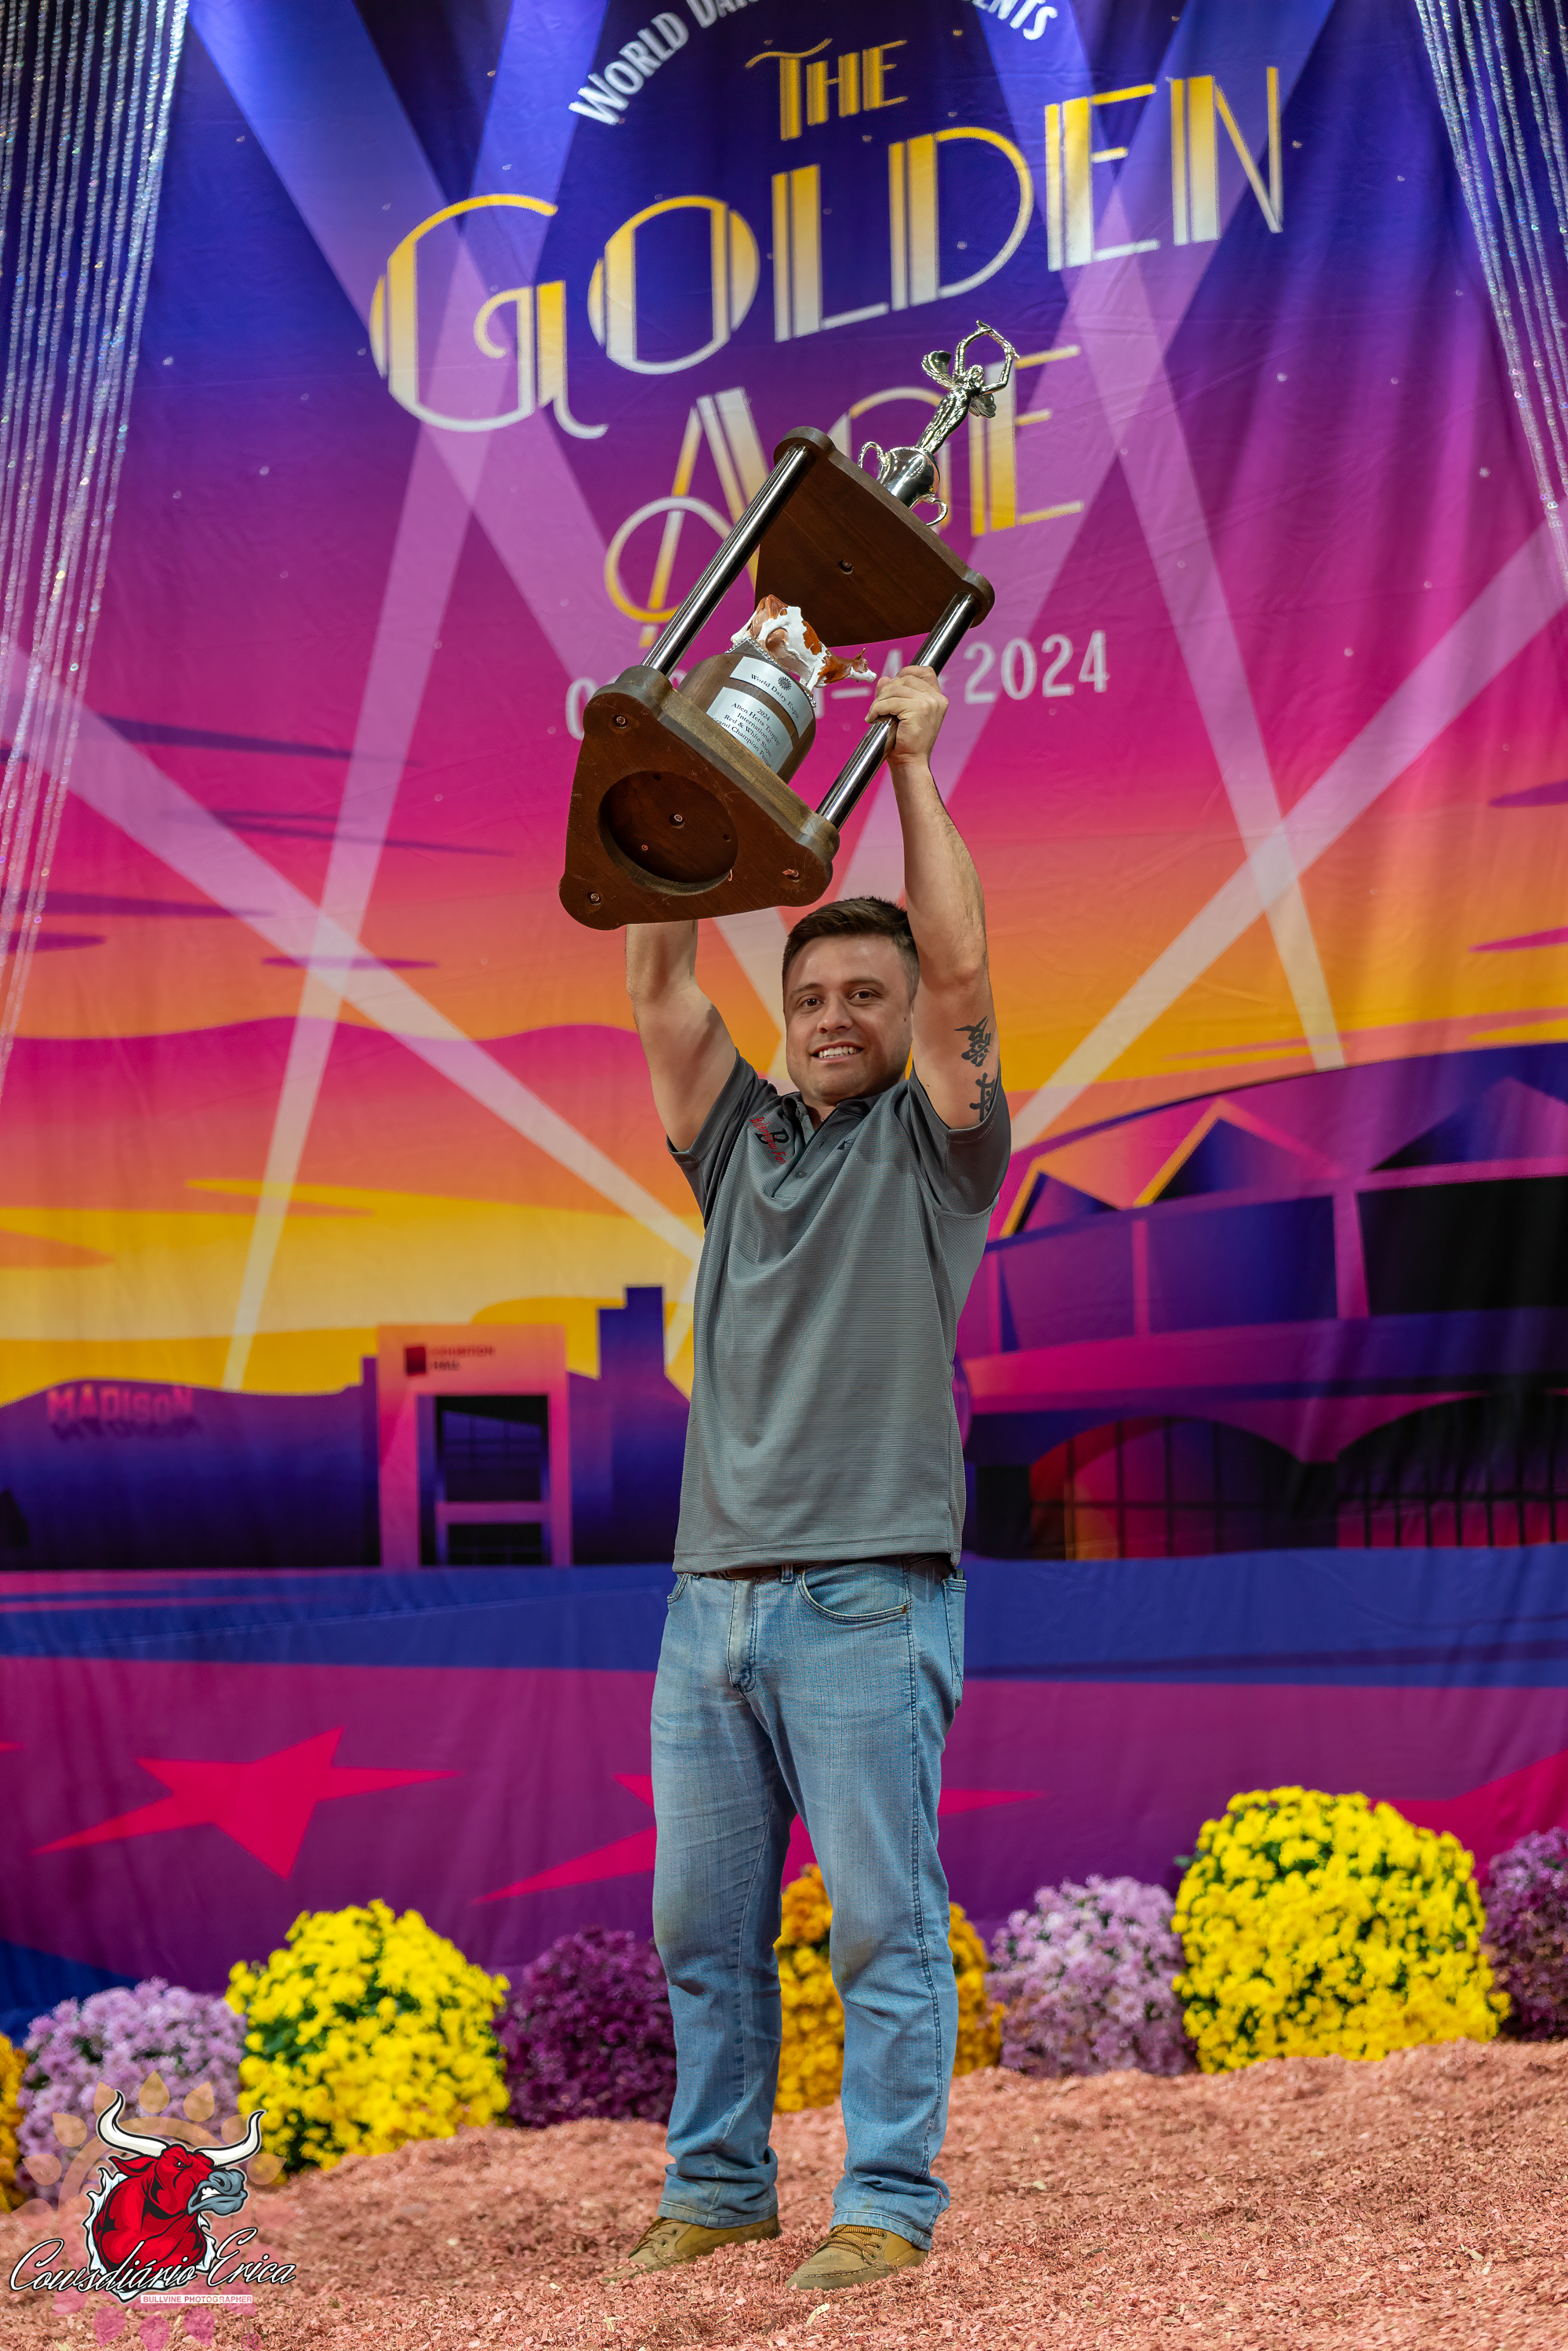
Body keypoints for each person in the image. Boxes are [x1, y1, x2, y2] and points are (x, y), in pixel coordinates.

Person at [608, 663, 1009, 2297]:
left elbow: (965, 964)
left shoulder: (938, 1148)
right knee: (701, 1933)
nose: (838, 1013)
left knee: (879, 1926)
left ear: (907, 1021)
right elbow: (657, 974)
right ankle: (718, 2185)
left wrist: (911, 760)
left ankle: (887, 2203)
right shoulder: (741, 1143)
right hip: (708, 1604)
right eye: (815, 990)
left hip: (867, 1600)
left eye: (868, 993)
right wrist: (686, 778)